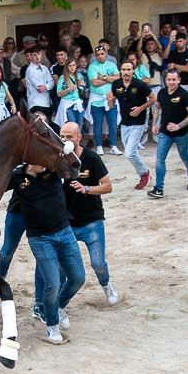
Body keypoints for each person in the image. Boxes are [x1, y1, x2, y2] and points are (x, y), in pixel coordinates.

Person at [7, 162, 85, 345]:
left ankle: (59, 306)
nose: (44, 163)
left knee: (78, 278)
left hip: (65, 232)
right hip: (40, 238)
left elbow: (73, 166)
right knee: (53, 283)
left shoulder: (54, 169)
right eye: (39, 160)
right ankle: (52, 326)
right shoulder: (17, 176)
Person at [61, 122, 118, 306]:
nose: (65, 140)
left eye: (69, 137)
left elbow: (108, 186)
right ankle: (60, 303)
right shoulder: (57, 159)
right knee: (62, 267)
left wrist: (86, 188)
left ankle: (106, 284)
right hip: (66, 223)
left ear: (79, 137)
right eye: (62, 136)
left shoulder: (91, 158)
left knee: (98, 263)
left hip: (91, 220)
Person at [148, 69, 188, 197]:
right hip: (165, 131)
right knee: (160, 159)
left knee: (184, 156)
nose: (171, 82)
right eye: (169, 79)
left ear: (179, 80)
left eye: (173, 80)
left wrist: (178, 126)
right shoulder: (162, 92)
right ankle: (159, 188)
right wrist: (155, 124)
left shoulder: (185, 95)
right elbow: (157, 108)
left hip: (182, 133)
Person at [109, 61, 155, 189]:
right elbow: (112, 103)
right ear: (120, 70)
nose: (126, 72)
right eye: (123, 69)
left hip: (138, 121)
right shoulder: (116, 84)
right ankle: (145, 173)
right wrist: (110, 101)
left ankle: (144, 174)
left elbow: (153, 98)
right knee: (131, 151)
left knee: (129, 153)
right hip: (125, 122)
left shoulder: (140, 84)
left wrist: (141, 108)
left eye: (128, 69)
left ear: (133, 71)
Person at [86, 44, 121, 155]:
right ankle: (99, 146)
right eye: (98, 55)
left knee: (112, 123)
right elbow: (94, 83)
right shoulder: (92, 67)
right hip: (96, 100)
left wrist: (104, 77)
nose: (100, 56)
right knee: (97, 124)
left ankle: (114, 145)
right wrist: (109, 79)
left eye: (102, 54)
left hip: (110, 98)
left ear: (106, 54)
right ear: (95, 56)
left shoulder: (112, 64)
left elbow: (118, 78)